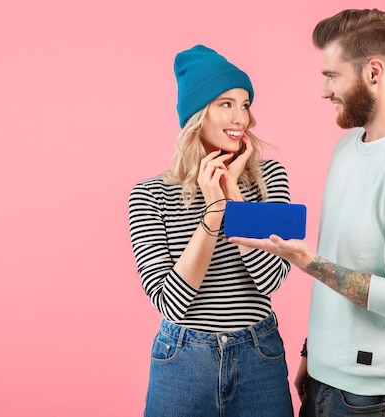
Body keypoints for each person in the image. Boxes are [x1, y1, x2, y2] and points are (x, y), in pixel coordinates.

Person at [228, 9, 385, 417]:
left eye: (332, 76)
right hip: (324, 379)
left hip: (373, 399)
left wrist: (306, 262)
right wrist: (313, 352)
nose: (324, 90)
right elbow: (346, 259)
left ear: (374, 71)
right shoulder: (349, 146)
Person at [128, 44, 294, 417]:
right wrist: (214, 211)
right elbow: (171, 302)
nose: (241, 119)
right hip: (182, 361)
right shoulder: (150, 195)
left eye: (245, 104)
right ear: (197, 114)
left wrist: (233, 194)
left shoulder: (270, 178)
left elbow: (271, 279)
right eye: (225, 104)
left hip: (259, 357)